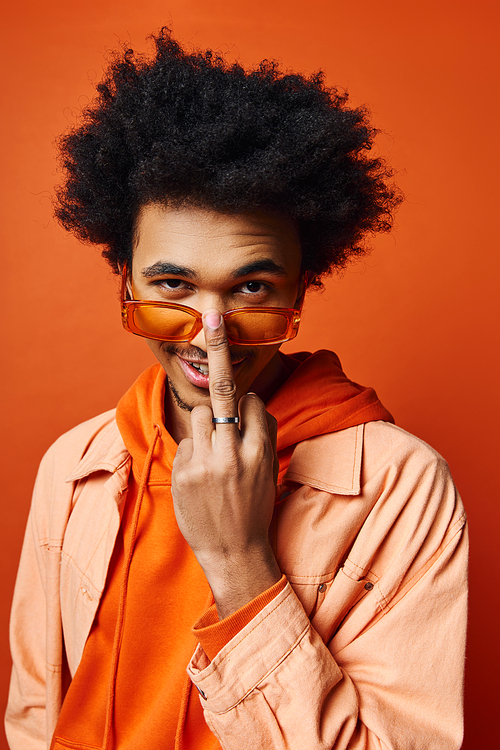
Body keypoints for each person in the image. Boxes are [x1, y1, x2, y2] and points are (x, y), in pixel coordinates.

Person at [5, 28, 467, 750]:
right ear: (123, 280)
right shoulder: (75, 466)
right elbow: (36, 713)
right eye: (171, 286)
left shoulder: (401, 486)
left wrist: (241, 563)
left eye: (251, 287)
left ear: (300, 291)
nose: (208, 333)